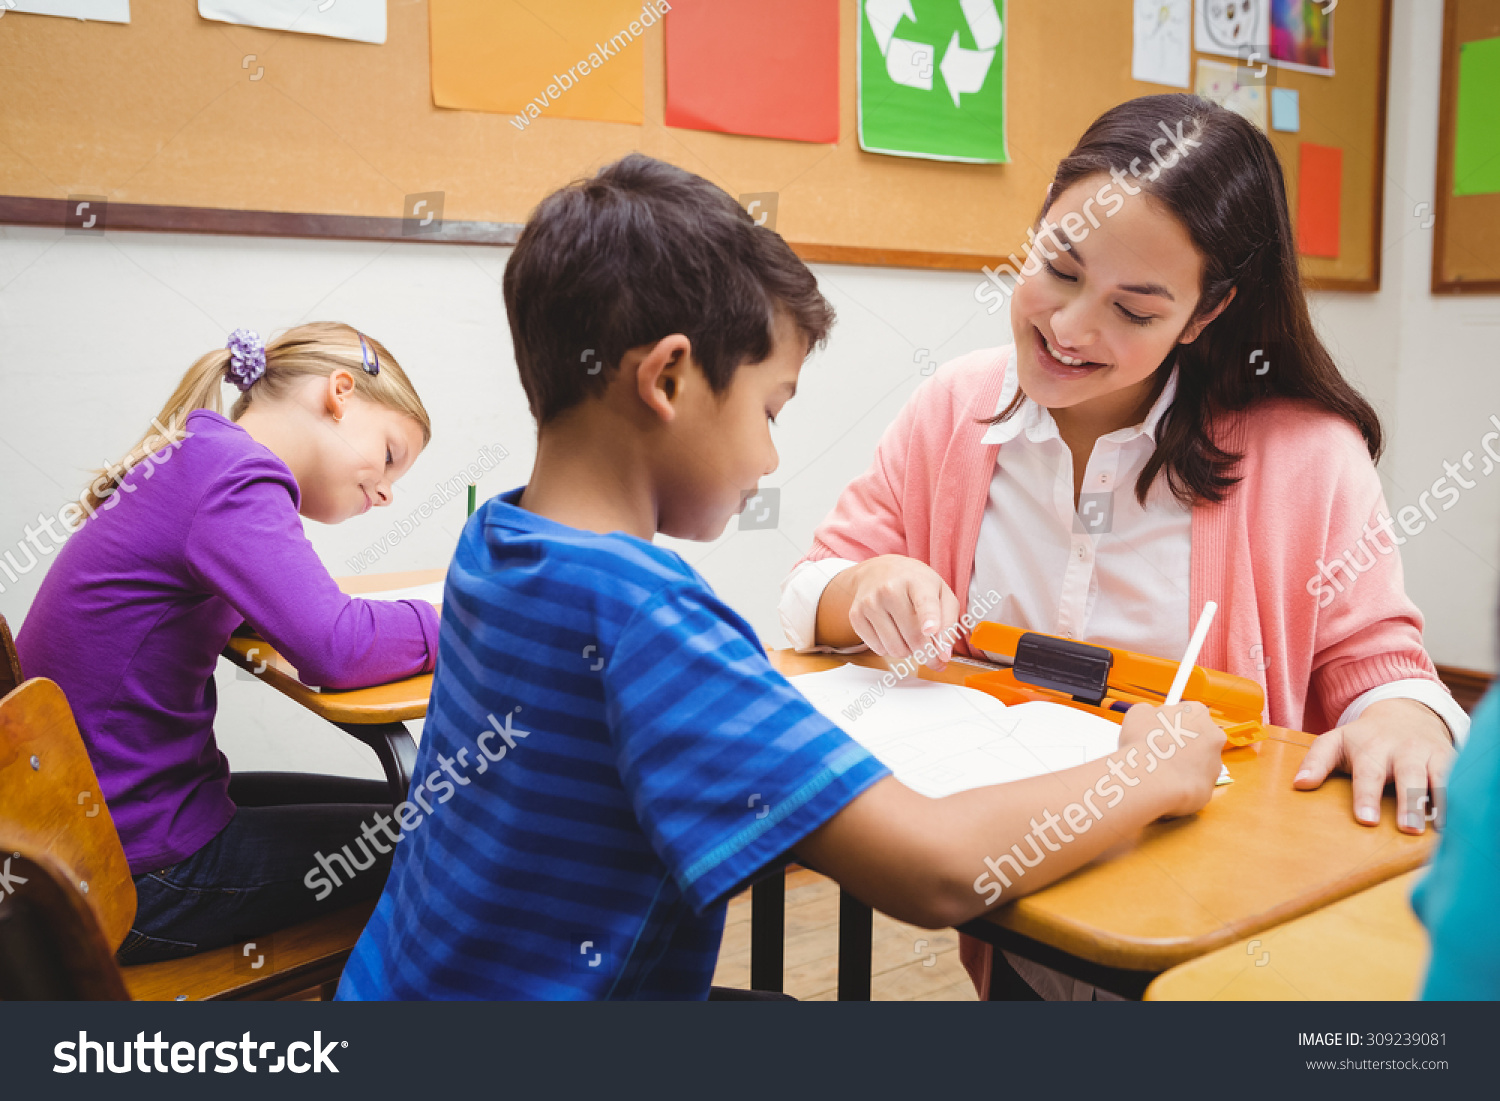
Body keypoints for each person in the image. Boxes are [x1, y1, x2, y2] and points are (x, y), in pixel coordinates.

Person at [336, 154, 1226, 1001]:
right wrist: (1146, 774)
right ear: (669, 379)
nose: (768, 456)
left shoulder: (499, 535)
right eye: (770, 408)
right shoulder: (648, 616)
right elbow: (938, 868)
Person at [779, 94, 1466, 998]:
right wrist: (865, 582)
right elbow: (812, 588)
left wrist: (1407, 713)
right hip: (1023, 917)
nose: (1069, 328)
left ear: (1204, 311)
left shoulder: (1304, 456)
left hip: (1207, 944)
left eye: (1134, 310)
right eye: (1057, 269)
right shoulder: (955, 407)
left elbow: (1376, 664)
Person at [17, 322, 439, 963]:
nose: (385, 494)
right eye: (388, 457)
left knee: (405, 807)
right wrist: (472, 612)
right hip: (126, 879)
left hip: (82, 839)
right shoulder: (234, 476)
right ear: (340, 393)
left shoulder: (197, 454)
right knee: (441, 834)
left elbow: (288, 621)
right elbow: (338, 649)